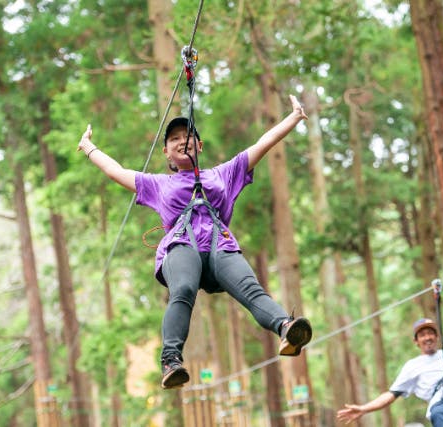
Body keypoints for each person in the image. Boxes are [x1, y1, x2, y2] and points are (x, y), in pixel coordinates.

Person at [77, 94, 313, 389]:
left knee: (250, 288)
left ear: (199, 146)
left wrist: (292, 118)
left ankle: (286, 329)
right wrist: (88, 147)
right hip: (181, 245)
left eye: (188, 135)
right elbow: (116, 171)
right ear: (166, 152)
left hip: (219, 245)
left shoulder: (224, 174)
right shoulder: (159, 184)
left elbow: (261, 145)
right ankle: (171, 360)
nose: (182, 140)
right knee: (184, 288)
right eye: (174, 138)